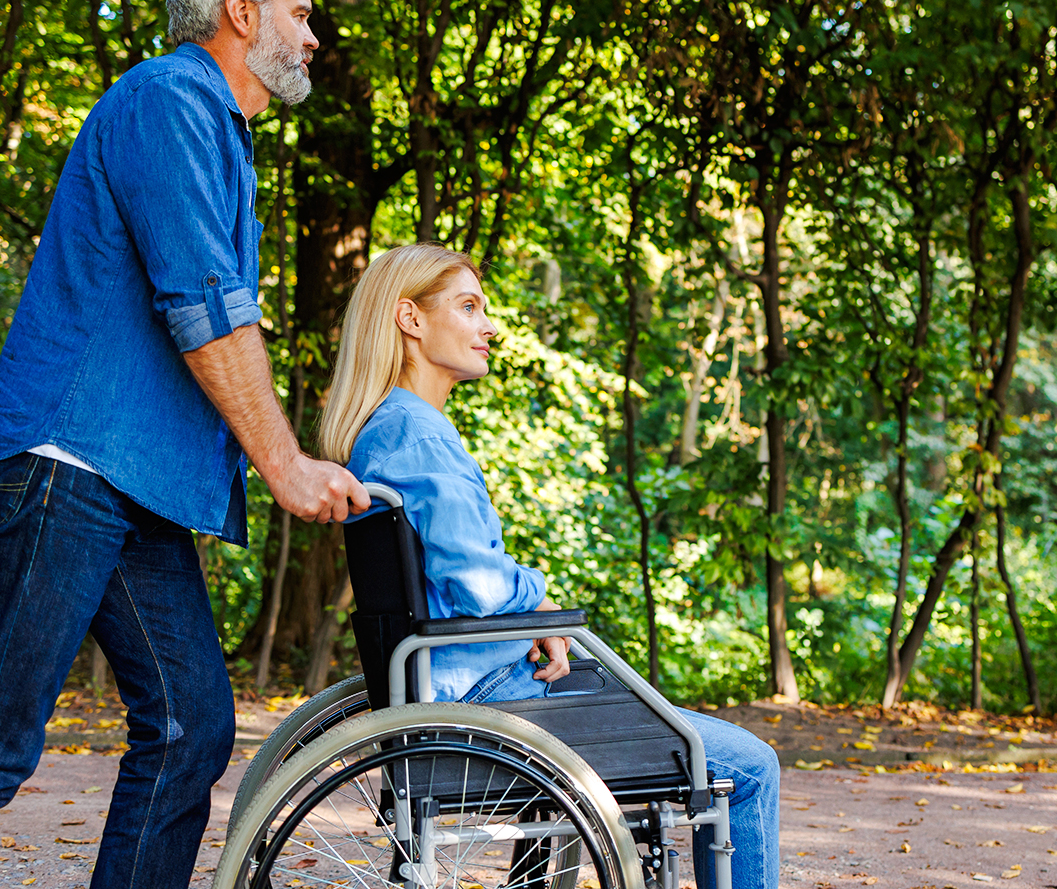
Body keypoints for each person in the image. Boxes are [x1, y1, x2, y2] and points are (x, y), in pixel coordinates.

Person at [0, 0, 369, 889]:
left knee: (191, 728)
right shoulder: (169, 101)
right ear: (241, 12)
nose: (312, 38)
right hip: (64, 465)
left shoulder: (221, 130)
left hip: (129, 484)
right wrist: (284, 463)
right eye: (300, 15)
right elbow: (205, 307)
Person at [317, 243, 781, 888]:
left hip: (460, 690)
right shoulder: (417, 434)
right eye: (469, 307)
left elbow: (459, 577)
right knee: (750, 765)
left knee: (610, 682)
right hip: (482, 705)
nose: (489, 326)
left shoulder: (391, 428)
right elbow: (474, 582)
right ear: (411, 320)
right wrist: (536, 603)